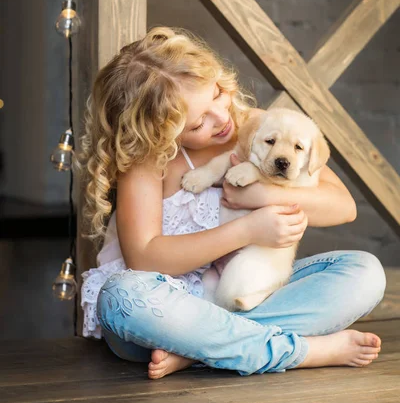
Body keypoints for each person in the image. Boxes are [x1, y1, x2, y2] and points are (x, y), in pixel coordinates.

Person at [79, 26, 385, 380]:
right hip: (166, 310)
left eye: (218, 94)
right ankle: (300, 351)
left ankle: (199, 351)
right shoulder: (148, 161)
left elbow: (343, 206)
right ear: (160, 133)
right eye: (198, 124)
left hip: (243, 295)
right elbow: (144, 258)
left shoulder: (258, 128)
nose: (222, 118)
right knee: (121, 298)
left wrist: (262, 195)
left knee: (363, 272)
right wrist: (247, 229)